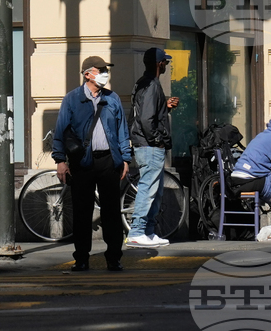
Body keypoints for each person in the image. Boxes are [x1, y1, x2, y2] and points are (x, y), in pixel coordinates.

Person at [53, 55, 132, 272]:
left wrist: (125, 158)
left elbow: (122, 130)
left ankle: (114, 257)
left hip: (108, 161)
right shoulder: (72, 99)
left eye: (106, 70)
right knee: (82, 212)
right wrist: (60, 161)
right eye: (101, 70)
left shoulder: (112, 98)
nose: (105, 74)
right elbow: (60, 131)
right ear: (87, 74)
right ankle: (81, 258)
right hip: (82, 163)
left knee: (111, 212)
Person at [126, 48, 179, 248]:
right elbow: (146, 119)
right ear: (159, 63)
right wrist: (158, 140)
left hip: (145, 144)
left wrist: (164, 106)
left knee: (155, 191)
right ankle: (137, 231)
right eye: (165, 62)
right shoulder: (152, 85)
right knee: (148, 189)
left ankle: (148, 231)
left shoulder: (143, 82)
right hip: (149, 146)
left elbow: (144, 113)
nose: (166, 65)